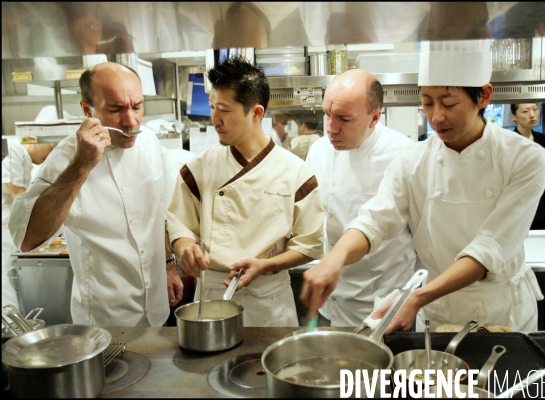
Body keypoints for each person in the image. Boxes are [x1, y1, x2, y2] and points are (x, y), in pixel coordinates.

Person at [300, 39, 545, 333]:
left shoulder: (525, 158)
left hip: (500, 313)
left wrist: (416, 297)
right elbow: (375, 220)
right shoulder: (413, 160)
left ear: (483, 96)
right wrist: (336, 258)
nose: (436, 117)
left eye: (449, 103)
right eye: (427, 102)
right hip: (436, 312)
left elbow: (489, 248)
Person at [9, 62, 183, 327]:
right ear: (86, 109)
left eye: (137, 106)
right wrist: (83, 164)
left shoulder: (148, 140)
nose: (130, 121)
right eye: (115, 109)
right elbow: (26, 239)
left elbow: (156, 210)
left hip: (157, 307)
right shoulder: (66, 158)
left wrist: (169, 263)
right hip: (107, 319)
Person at [167, 56, 324, 327]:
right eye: (213, 107)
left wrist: (266, 265)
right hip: (213, 296)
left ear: (256, 113)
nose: (215, 119)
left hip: (269, 301)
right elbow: (179, 226)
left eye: (225, 110)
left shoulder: (295, 173)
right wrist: (185, 248)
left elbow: (310, 245)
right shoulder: (199, 168)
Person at [305, 69, 417, 327]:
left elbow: (421, 241)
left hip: (382, 306)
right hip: (329, 303)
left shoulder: (405, 156)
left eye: (344, 119)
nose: (331, 129)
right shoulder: (319, 151)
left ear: (374, 118)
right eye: (327, 114)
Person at [2, 139, 55, 310]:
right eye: (51, 147)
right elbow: (18, 196)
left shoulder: (23, 157)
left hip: (9, 228)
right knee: (4, 279)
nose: (51, 154)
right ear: (34, 140)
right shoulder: (13, 148)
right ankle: (10, 332)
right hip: (4, 228)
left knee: (10, 277)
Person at [511, 103, 545, 229]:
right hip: (518, 205)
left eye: (535, 109)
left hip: (539, 205)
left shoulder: (541, 138)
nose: (532, 114)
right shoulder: (510, 141)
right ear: (514, 117)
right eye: (525, 111)